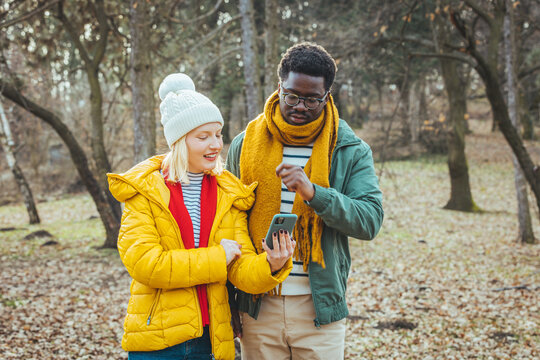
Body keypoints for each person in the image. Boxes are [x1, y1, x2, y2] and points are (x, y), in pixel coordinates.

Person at [108, 73, 295, 360]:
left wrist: (271, 264)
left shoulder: (227, 192)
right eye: (203, 136)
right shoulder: (144, 191)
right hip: (159, 341)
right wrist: (218, 257)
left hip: (212, 340)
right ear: (180, 141)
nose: (216, 145)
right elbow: (146, 264)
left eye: (218, 134)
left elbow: (239, 266)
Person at [226, 42, 384, 359]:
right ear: (280, 87)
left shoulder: (349, 149)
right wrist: (230, 303)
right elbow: (227, 225)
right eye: (292, 96)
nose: (300, 106)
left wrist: (314, 193)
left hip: (318, 308)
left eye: (312, 99)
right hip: (257, 306)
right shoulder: (245, 144)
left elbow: (369, 221)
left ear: (327, 96)